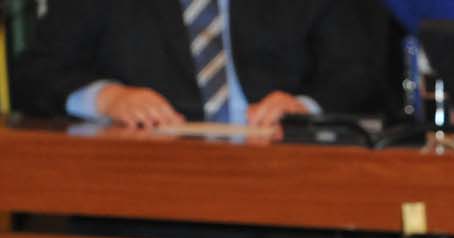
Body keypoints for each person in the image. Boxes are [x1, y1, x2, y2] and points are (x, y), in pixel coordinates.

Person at [15, 0, 384, 127]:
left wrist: (304, 109)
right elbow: (34, 73)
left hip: (289, 194)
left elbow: (358, 70)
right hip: (142, 201)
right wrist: (106, 98)